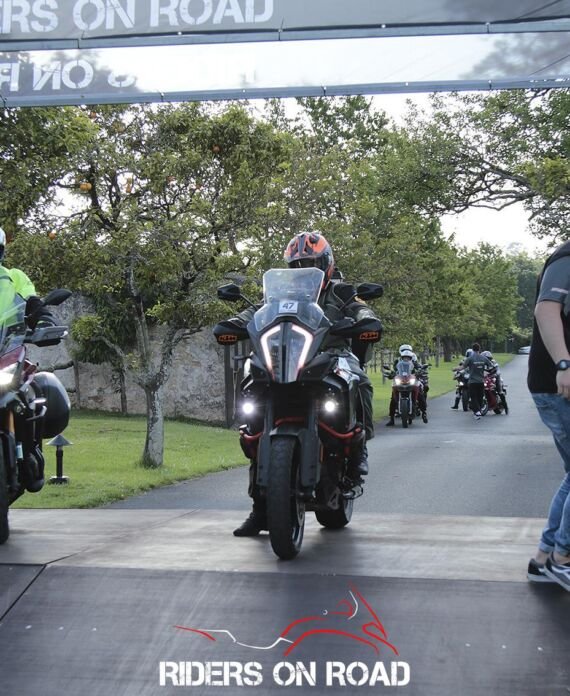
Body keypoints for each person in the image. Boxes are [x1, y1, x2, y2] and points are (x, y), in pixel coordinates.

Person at [225, 232, 382, 537]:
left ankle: (359, 447)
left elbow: (361, 308)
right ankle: (260, 511)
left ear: (326, 264)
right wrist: (234, 323)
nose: (304, 268)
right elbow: (255, 312)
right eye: (298, 264)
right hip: (284, 358)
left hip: (331, 356)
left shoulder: (341, 291)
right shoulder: (278, 294)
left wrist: (365, 318)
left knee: (360, 380)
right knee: (252, 390)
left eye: (311, 263)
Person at [526, 241, 570, 590]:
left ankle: (543, 560)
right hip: (558, 384)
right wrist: (564, 364)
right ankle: (561, 558)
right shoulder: (567, 257)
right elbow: (546, 309)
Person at [385, 345, 428, 425]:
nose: (406, 358)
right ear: (402, 356)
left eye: (408, 357)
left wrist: (420, 371)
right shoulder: (397, 362)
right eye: (405, 357)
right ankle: (391, 419)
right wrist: (391, 374)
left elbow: (419, 367)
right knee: (393, 398)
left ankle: (424, 413)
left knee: (420, 394)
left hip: (411, 379)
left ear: (410, 357)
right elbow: (395, 370)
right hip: (400, 380)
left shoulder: (414, 362)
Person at [461, 343, 495, 420]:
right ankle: (478, 411)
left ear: (473, 349)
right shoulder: (484, 358)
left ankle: (477, 412)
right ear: (479, 349)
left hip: (472, 382)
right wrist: (486, 370)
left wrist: (455, 369)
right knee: (480, 397)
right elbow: (491, 366)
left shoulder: (470, 358)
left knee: (473, 397)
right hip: (481, 381)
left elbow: (462, 367)